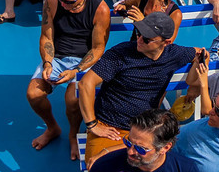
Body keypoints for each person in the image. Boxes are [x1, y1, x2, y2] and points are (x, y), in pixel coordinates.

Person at [77, 11, 202, 162]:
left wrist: (193, 88)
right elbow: (86, 83)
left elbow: (200, 54)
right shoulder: (120, 53)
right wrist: (92, 125)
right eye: (139, 33)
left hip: (147, 130)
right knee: (97, 165)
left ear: (166, 42)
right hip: (112, 128)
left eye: (147, 39)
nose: (140, 40)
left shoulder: (174, 54)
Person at [28, 0, 111, 157]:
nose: (64, 5)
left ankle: (73, 135)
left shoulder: (100, 9)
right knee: (33, 94)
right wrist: (48, 63)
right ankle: (52, 128)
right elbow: (46, 37)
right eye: (61, 0)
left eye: (70, 2)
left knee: (72, 99)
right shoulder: (52, 1)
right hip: (56, 58)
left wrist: (76, 71)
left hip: (84, 61)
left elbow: (98, 49)